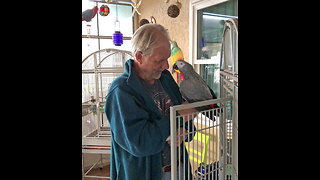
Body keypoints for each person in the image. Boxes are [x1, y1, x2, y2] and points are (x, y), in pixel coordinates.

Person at [105, 24, 197, 180]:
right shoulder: (121, 91)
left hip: (179, 168)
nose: (166, 66)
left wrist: (185, 130)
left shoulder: (166, 78)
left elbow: (185, 116)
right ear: (139, 57)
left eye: (167, 58)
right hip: (147, 174)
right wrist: (178, 117)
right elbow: (140, 143)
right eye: (159, 61)